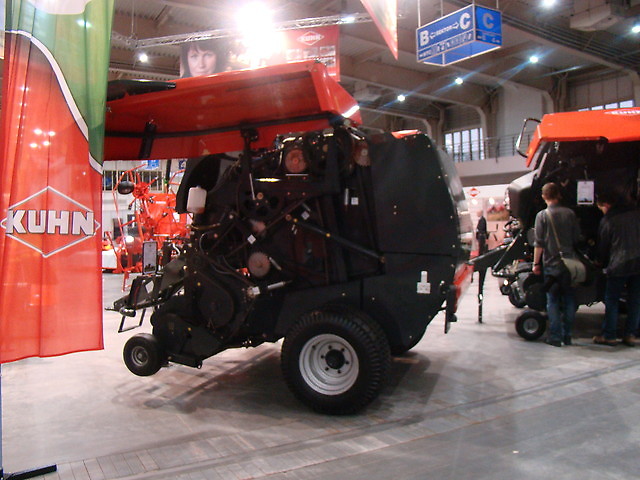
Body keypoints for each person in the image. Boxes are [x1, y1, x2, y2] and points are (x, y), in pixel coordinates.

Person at [532, 182, 581, 347]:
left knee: (552, 300)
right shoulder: (570, 214)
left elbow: (539, 243)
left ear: (543, 196)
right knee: (569, 299)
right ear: (558, 195)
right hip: (569, 264)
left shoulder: (542, 216)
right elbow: (577, 238)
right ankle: (567, 336)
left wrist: (536, 264)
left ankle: (555, 337)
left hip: (551, 265)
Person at [594, 191, 640, 347]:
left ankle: (610, 335)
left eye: (601, 208)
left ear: (606, 205)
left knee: (612, 300)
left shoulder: (608, 220)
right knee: (635, 300)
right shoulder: (636, 214)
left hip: (619, 264)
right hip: (638, 263)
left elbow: (603, 246)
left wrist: (599, 262)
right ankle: (630, 335)